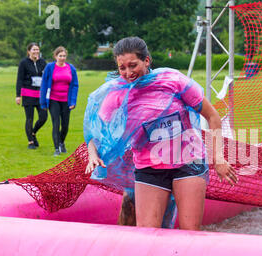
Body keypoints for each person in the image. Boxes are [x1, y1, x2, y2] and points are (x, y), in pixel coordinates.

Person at [84, 37, 237, 231]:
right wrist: (92, 153)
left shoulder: (173, 81)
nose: (128, 73)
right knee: (147, 234)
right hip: (149, 167)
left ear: (146, 61)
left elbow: (213, 116)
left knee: (190, 233)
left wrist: (219, 158)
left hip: (188, 162)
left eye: (133, 65)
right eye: (122, 68)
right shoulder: (118, 94)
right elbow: (96, 132)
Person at [40, 46, 79, 156]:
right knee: (56, 124)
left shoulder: (71, 68)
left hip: (66, 101)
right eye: (60, 56)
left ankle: (62, 142)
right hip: (53, 100)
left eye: (64, 56)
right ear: (55, 56)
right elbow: (44, 84)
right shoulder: (49, 67)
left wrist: (72, 102)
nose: (62, 58)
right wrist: (43, 102)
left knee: (65, 125)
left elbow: (75, 85)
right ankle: (56, 148)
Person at [16, 43, 47, 149]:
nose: (36, 51)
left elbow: (47, 77)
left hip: (40, 94)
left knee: (43, 117)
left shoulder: (43, 62)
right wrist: (18, 95)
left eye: (37, 49)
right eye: (33, 49)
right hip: (28, 93)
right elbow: (19, 79)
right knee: (29, 118)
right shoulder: (24, 63)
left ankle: (33, 133)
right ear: (29, 51)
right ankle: (30, 142)